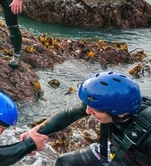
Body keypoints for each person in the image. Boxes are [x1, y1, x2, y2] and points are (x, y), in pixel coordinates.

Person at [19, 71, 151, 166]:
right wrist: (35, 134)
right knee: (65, 162)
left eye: (96, 110)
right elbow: (68, 115)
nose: (88, 111)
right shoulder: (108, 106)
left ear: (121, 114)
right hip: (115, 154)